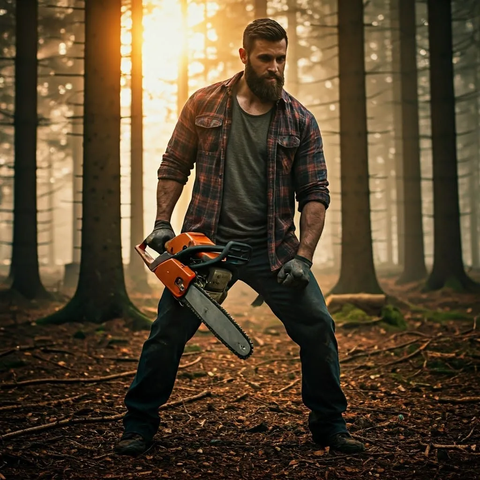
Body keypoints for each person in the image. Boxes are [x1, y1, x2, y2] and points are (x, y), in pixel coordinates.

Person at [115, 18, 364, 457]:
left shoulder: (300, 119)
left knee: (319, 328)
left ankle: (330, 426)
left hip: (275, 250)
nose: (275, 68)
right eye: (266, 58)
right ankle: (138, 425)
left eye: (281, 59)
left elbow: (315, 193)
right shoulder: (204, 103)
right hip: (204, 246)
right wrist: (161, 222)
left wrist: (303, 257)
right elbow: (174, 165)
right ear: (245, 57)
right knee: (166, 334)